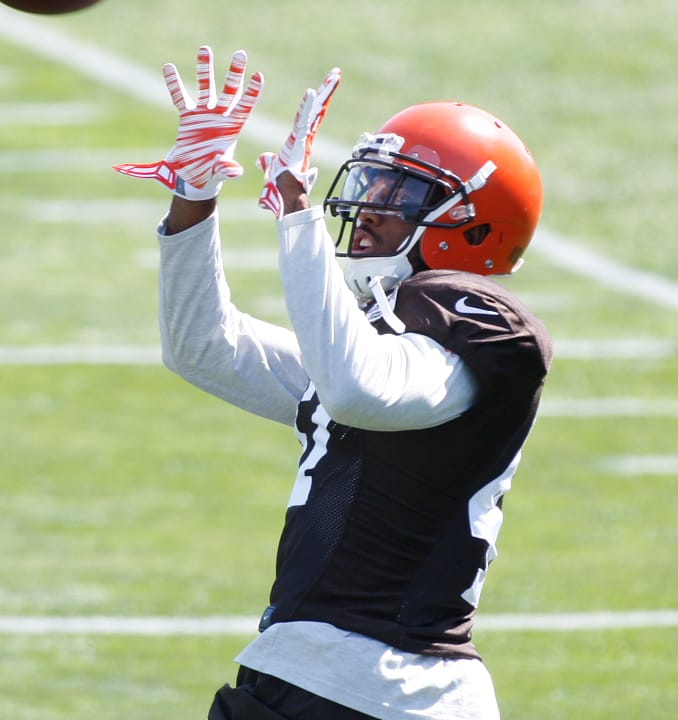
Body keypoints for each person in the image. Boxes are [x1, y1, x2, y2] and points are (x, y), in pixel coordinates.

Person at [113, 46, 551, 719]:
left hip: (380, 686)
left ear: (476, 223)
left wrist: (298, 216)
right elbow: (204, 349)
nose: (371, 208)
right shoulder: (377, 345)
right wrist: (195, 199)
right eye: (373, 185)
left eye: (400, 194)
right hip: (326, 678)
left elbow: (356, 390)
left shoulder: (480, 324)